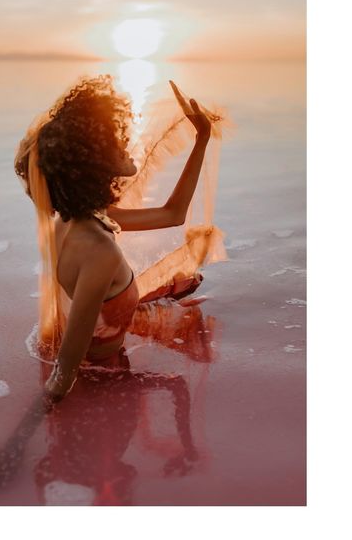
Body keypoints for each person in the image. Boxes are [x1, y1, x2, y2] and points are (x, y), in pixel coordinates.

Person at [14, 74, 222, 407]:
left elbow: (173, 214)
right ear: (93, 161)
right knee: (182, 377)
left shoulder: (79, 215)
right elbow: (65, 373)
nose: (125, 141)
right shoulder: (99, 250)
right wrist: (24, 436)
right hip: (105, 379)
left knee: (183, 298)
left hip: (107, 356)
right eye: (114, 138)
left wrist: (201, 139)